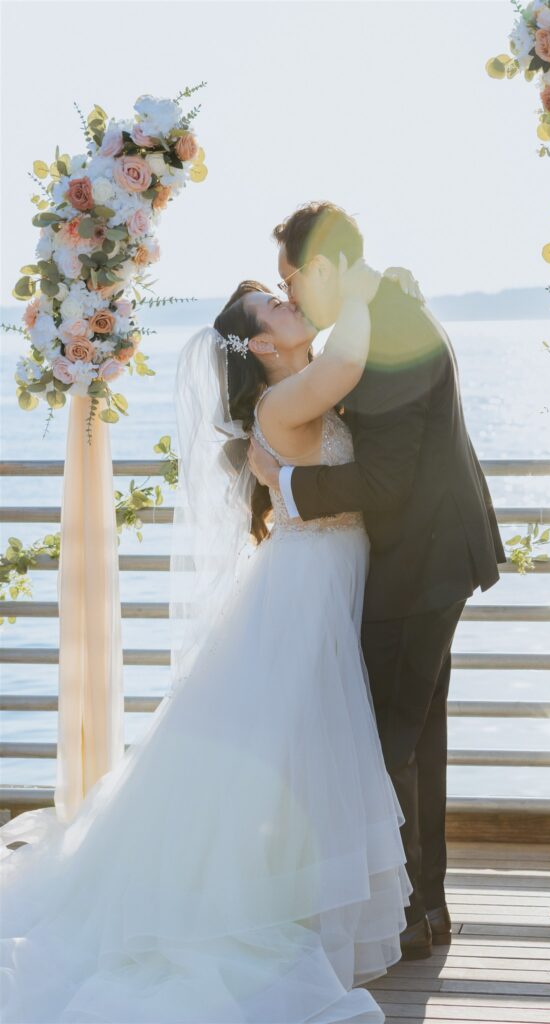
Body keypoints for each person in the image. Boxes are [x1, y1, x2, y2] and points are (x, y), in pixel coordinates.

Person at [0, 259, 421, 1023]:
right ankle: (258, 903)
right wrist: (363, 288)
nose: (290, 303)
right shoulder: (289, 395)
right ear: (261, 348)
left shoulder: (300, 384)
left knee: (294, 752)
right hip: (305, 589)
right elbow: (352, 358)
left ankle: (286, 894)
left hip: (316, 580)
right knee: (285, 751)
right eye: (274, 305)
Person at [249, 202, 506, 961]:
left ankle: (405, 918)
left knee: (388, 736)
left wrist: (286, 487)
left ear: (322, 266)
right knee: (415, 733)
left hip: (419, 556)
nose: (292, 296)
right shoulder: (383, 308)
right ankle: (422, 908)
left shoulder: (388, 325)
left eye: (291, 279)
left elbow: (386, 479)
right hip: (429, 554)